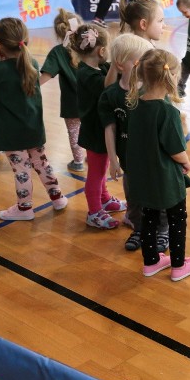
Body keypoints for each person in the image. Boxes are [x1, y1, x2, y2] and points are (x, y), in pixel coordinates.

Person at [126, 48, 190, 282]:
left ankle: (151, 262)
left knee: (149, 217)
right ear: (172, 76)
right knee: (177, 219)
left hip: (143, 176)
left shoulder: (134, 105)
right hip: (166, 178)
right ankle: (178, 266)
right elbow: (176, 149)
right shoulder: (167, 112)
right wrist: (187, 163)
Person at [0, 18, 68, 221]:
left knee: (21, 170)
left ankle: (24, 209)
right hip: (34, 129)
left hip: (12, 133)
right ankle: (57, 198)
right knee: (42, 164)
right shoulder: (32, 62)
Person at [98, 34, 168, 252]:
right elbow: (109, 128)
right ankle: (139, 229)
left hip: (154, 160)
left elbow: (164, 127)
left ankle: (162, 231)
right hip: (129, 160)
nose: (145, 67)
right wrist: (113, 160)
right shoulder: (111, 95)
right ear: (121, 64)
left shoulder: (151, 93)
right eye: (139, 62)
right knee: (134, 197)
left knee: (159, 195)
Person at [71, 22, 127, 230]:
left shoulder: (97, 66)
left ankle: (104, 198)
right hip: (95, 131)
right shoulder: (86, 73)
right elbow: (107, 85)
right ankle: (94, 211)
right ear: (101, 50)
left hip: (100, 128)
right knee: (96, 172)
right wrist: (115, 65)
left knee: (101, 168)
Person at [40, 9, 86, 172]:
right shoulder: (90, 46)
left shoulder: (58, 52)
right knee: (93, 128)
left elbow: (44, 77)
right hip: (94, 101)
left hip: (72, 104)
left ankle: (78, 162)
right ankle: (95, 154)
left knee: (74, 133)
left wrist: (28, 88)